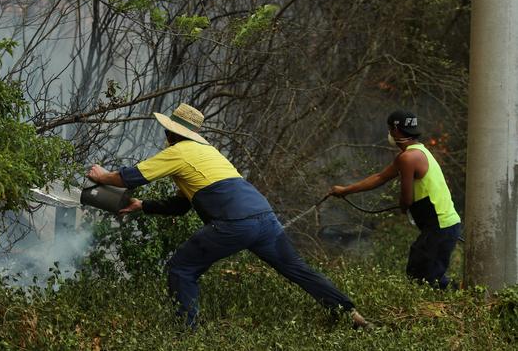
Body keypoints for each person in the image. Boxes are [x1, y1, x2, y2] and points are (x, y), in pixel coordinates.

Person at [87, 103, 370, 329]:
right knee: (296, 268)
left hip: (235, 222)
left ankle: (185, 333)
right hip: (263, 216)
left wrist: (103, 176)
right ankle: (350, 313)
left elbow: (130, 178)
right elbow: (181, 205)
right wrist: (142, 206)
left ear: (171, 132)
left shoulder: (178, 151)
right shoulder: (207, 152)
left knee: (181, 268)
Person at [329, 110, 461, 289]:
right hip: (443, 226)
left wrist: (403, 207)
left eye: (390, 129)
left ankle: (460, 296)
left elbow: (407, 197)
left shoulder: (408, 158)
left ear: (396, 131)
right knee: (421, 270)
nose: (389, 133)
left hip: (441, 225)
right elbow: (380, 177)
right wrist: (345, 190)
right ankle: (457, 294)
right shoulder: (417, 152)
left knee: (424, 276)